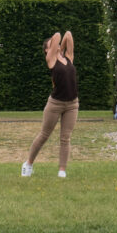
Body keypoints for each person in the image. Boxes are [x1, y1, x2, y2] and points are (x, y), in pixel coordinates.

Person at [22, 31, 79, 178]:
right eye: (53, 46)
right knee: (44, 135)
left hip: (72, 104)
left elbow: (68, 35)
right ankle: (28, 164)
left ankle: (62, 170)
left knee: (65, 138)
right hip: (55, 104)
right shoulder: (50, 60)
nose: (57, 46)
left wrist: (61, 47)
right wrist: (56, 44)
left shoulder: (69, 58)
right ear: (48, 50)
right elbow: (58, 36)